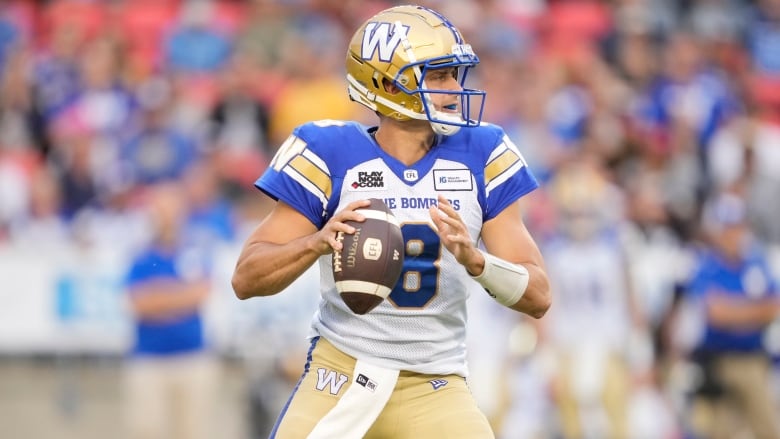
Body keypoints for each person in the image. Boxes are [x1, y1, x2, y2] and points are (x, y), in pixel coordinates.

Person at [231, 5, 551, 438]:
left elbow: (538, 295)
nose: (454, 88)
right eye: (437, 76)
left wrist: (477, 262)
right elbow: (246, 279)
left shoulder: (484, 151)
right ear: (386, 82)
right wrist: (317, 243)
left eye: (455, 75)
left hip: (435, 383)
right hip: (340, 370)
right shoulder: (329, 152)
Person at [122, 181, 219, 439]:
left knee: (194, 431)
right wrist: (181, 297)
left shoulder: (195, 250)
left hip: (192, 358)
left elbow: (203, 292)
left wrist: (160, 296)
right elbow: (138, 303)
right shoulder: (141, 255)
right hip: (150, 360)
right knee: (147, 430)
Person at [683, 191, 780, 439]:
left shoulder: (756, 262)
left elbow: (774, 307)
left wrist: (737, 310)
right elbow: (717, 313)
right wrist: (754, 310)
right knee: (717, 431)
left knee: (769, 429)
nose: (733, 235)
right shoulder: (707, 264)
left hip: (753, 360)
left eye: (737, 226)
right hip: (719, 363)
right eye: (727, 228)